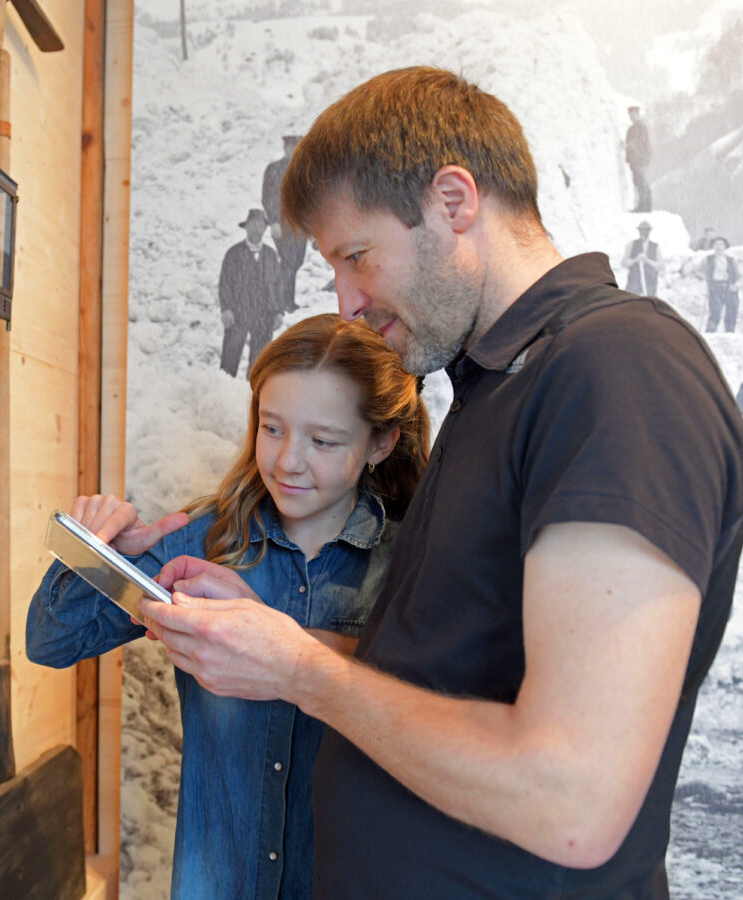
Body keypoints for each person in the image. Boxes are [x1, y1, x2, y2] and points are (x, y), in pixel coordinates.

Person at [138, 66, 743, 898]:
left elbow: (571, 797)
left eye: (357, 257)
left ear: (454, 201)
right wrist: (274, 640)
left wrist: (301, 672)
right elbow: (451, 682)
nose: (348, 303)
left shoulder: (617, 369)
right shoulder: (496, 387)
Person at [26, 315, 430, 900]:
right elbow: (52, 642)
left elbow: (440, 714)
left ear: (381, 442)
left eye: (322, 441)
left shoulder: (412, 564)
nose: (288, 461)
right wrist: (93, 550)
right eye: (272, 428)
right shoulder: (204, 542)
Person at [219, 208, 283, 377]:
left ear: (265, 229)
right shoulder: (234, 253)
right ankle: (224, 389)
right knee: (229, 359)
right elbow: (225, 283)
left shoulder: (270, 255)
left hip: (264, 315)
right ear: (246, 227)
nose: (257, 229)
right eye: (253, 225)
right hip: (238, 313)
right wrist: (226, 309)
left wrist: (278, 312)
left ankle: (252, 391)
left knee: (260, 363)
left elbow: (278, 286)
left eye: (261, 226)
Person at [263, 135, 308, 311]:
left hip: (300, 225)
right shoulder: (273, 169)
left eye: (296, 147)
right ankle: (283, 302)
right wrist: (273, 221)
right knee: (288, 261)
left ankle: (283, 300)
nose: (293, 150)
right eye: (290, 147)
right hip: (282, 224)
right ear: (284, 148)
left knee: (296, 262)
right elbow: (268, 198)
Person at [703, 235, 739, 333]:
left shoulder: (731, 260)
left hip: (729, 287)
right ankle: (710, 334)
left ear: (725, 246)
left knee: (731, 311)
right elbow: (698, 269)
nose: (718, 247)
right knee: (715, 312)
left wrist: (737, 285)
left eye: (721, 244)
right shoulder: (708, 259)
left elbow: (739, 275)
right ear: (713, 246)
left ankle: (730, 333)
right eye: (716, 244)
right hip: (715, 287)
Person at [622, 220, 662, 296]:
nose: (643, 232)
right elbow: (624, 263)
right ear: (639, 231)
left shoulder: (656, 247)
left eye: (646, 230)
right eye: (641, 230)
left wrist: (647, 260)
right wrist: (635, 260)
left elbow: (660, 266)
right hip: (633, 283)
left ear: (649, 232)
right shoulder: (631, 244)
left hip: (650, 283)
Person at [625, 105, 652, 212]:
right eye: (630, 115)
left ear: (637, 115)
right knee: (638, 181)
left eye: (633, 115)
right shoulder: (632, 128)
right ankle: (643, 205)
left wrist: (629, 145)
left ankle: (644, 206)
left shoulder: (641, 128)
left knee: (641, 182)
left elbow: (641, 143)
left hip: (640, 159)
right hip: (634, 160)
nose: (631, 117)